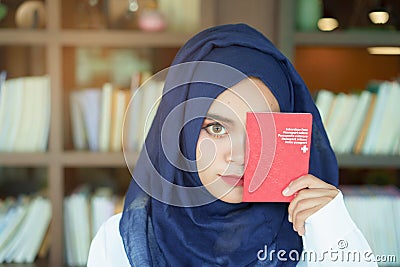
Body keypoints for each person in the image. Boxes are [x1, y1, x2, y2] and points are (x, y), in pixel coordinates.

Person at [87, 24, 377, 266]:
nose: (240, 155)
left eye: (261, 130)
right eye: (215, 128)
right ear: (180, 133)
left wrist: (333, 231)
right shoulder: (122, 241)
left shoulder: (316, 230)